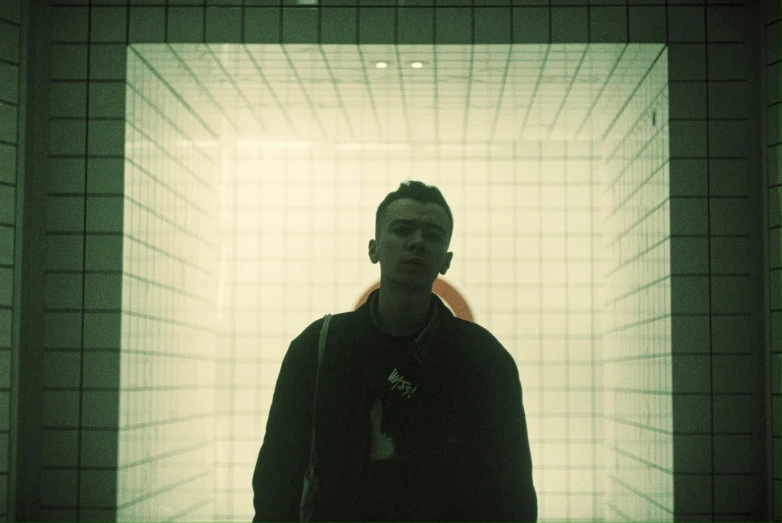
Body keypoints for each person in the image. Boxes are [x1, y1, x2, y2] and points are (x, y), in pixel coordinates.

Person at [252, 180, 537, 522]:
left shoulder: (486, 360)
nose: (417, 241)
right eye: (403, 229)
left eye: (432, 234)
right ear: (373, 249)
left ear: (445, 260)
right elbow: (276, 476)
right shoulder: (316, 347)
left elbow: (511, 489)